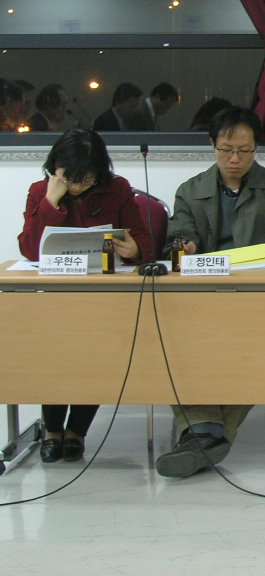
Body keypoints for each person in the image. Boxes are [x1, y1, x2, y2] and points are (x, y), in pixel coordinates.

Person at [155, 106, 265, 478]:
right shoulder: (190, 190)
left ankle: (200, 434)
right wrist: (185, 245)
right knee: (172, 342)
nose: (235, 159)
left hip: (258, 293)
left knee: (258, 351)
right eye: (227, 150)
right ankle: (209, 434)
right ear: (213, 145)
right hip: (203, 295)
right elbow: (178, 233)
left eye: (244, 150)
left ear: (256, 148)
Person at [18, 128, 151, 463]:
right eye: (69, 179)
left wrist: (135, 248)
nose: (76, 187)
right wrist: (50, 203)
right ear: (55, 169)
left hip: (101, 294)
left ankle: (76, 431)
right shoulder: (40, 191)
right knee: (53, 354)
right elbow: (30, 249)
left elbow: (143, 241)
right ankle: (51, 430)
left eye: (86, 179)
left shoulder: (117, 189)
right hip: (55, 296)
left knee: (95, 354)